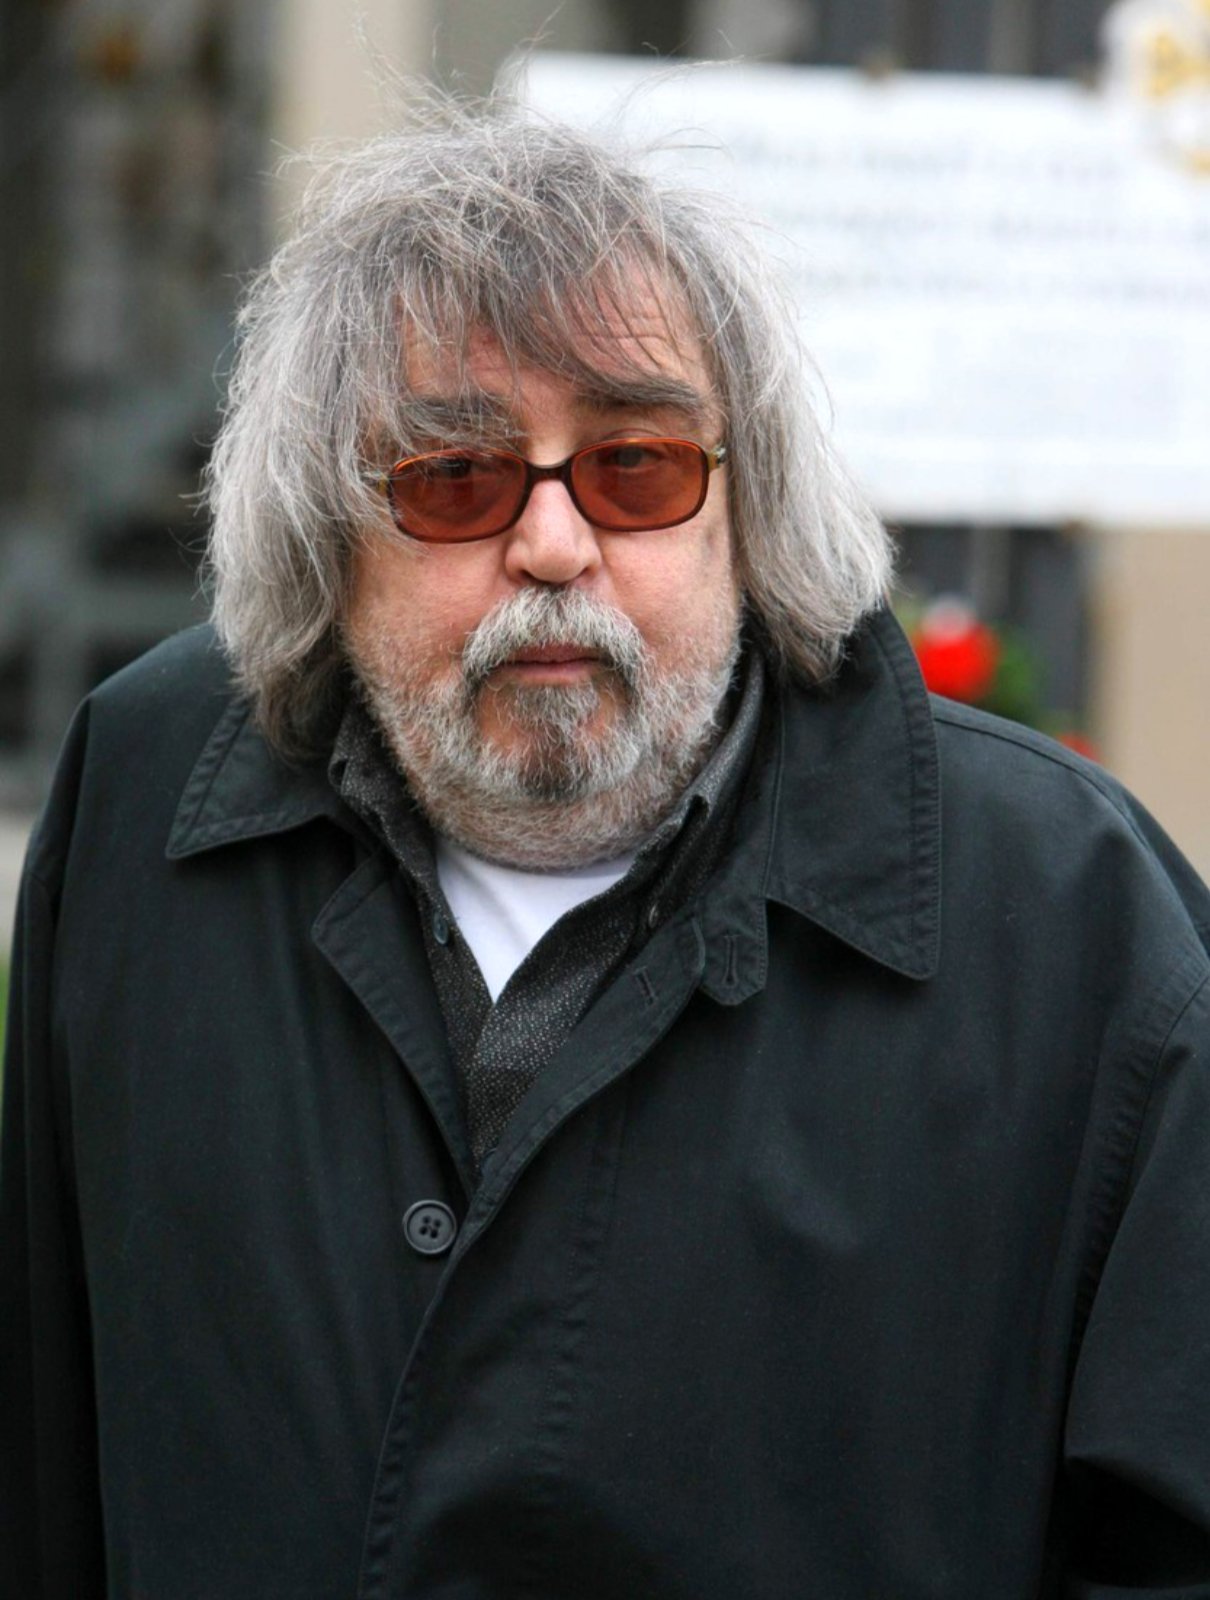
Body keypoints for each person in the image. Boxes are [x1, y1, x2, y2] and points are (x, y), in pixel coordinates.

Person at [2, 97, 1209, 1600]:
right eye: (455, 477)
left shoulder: (1075, 919)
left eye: (637, 466)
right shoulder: (144, 793)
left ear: (748, 505)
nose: (556, 545)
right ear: (327, 531)